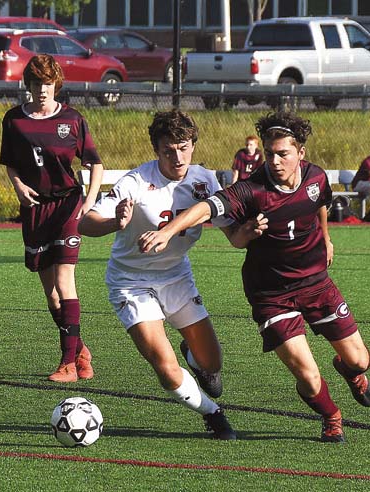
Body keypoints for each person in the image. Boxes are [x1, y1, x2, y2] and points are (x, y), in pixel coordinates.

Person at [139, 111, 370, 443]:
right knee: (308, 377)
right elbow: (206, 208)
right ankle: (331, 416)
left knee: (359, 360)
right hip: (271, 294)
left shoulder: (316, 177)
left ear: (301, 153)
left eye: (283, 154)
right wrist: (167, 231)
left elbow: (320, 204)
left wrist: (326, 236)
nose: (275, 162)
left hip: (316, 283)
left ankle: (351, 372)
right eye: (269, 153)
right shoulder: (252, 189)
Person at [78, 109, 236, 440]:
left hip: (177, 276)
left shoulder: (204, 180)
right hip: (131, 282)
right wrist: (115, 222)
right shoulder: (136, 181)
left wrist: (254, 228)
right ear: (157, 150)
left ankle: (194, 356)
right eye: (168, 150)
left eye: (184, 148)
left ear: (193, 145)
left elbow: (232, 231)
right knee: (165, 368)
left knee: (212, 363)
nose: (177, 157)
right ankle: (213, 414)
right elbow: (85, 223)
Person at [0, 54, 104, 383]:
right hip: (35, 209)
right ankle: (80, 350)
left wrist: (89, 201)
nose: (42, 89)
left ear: (56, 84)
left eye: (48, 83)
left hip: (67, 205)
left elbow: (95, 164)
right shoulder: (14, 120)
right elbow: (10, 163)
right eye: (36, 83)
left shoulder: (72, 119)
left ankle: (67, 364)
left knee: (64, 280)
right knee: (52, 295)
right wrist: (18, 186)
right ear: (27, 85)